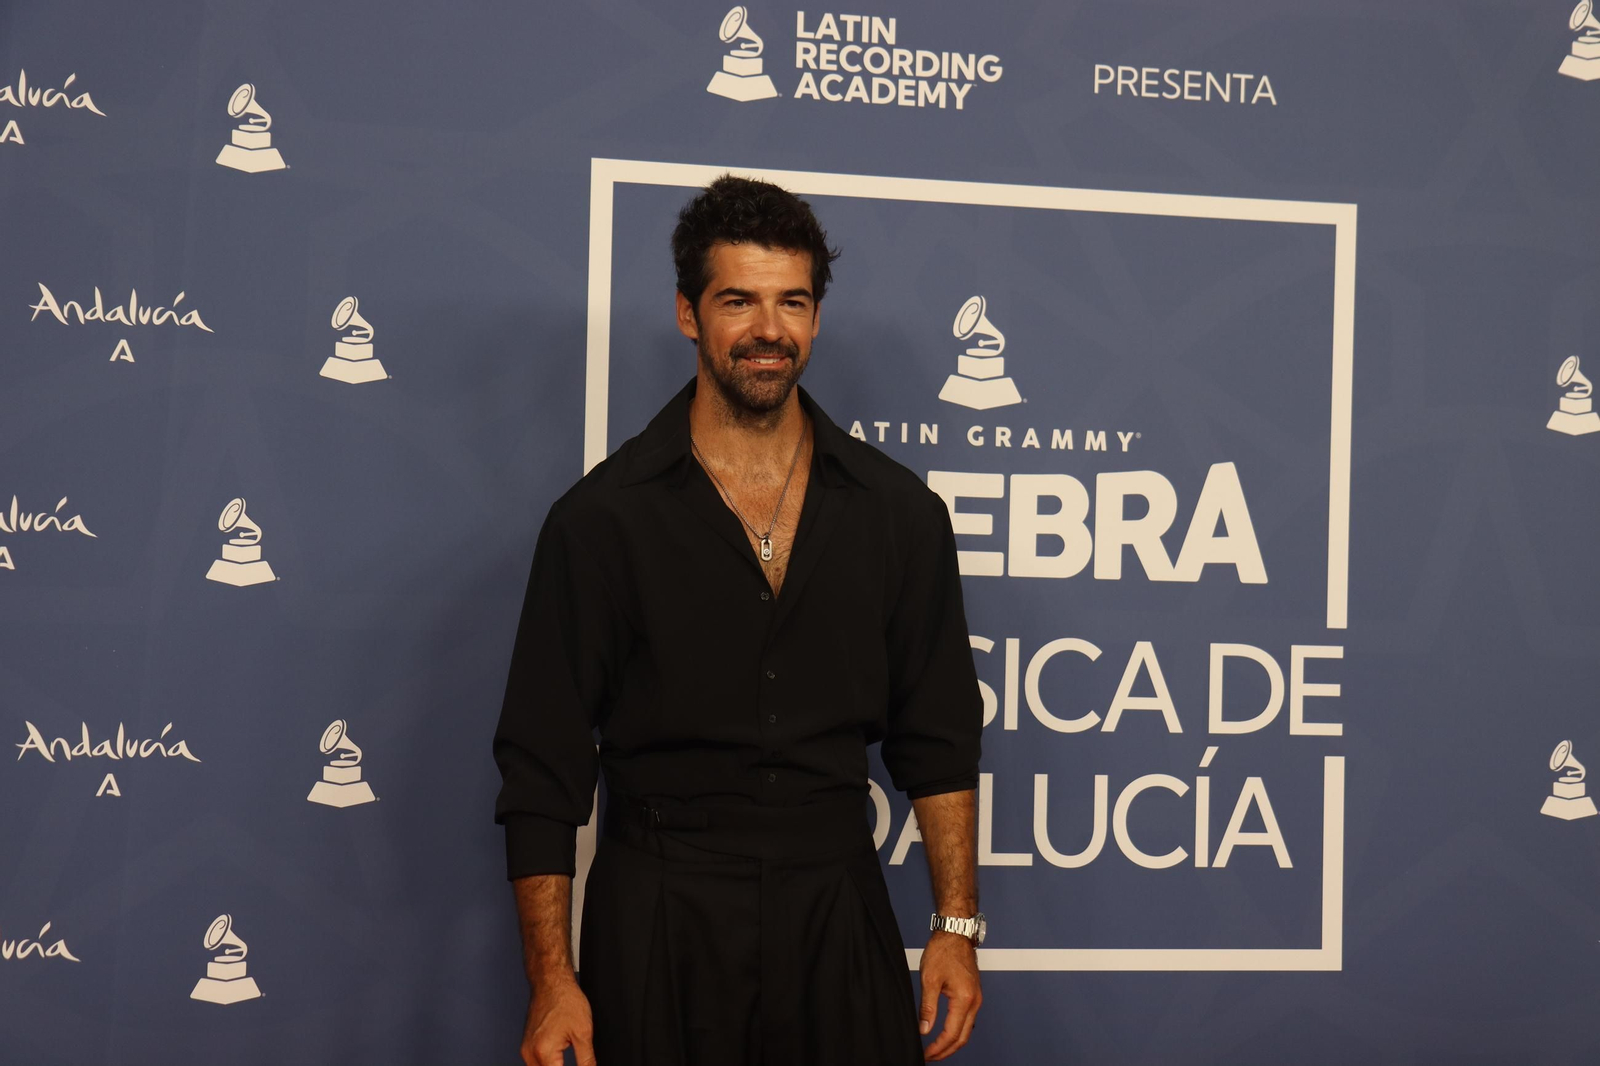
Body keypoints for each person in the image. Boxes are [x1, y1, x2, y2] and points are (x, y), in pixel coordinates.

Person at [493, 175, 985, 1066]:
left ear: (817, 319)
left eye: (792, 301)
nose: (769, 330)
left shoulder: (898, 513)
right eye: (739, 301)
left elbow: (941, 740)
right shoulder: (600, 522)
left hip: (838, 903)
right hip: (659, 914)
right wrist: (553, 980)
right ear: (689, 315)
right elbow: (542, 771)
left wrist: (955, 924)